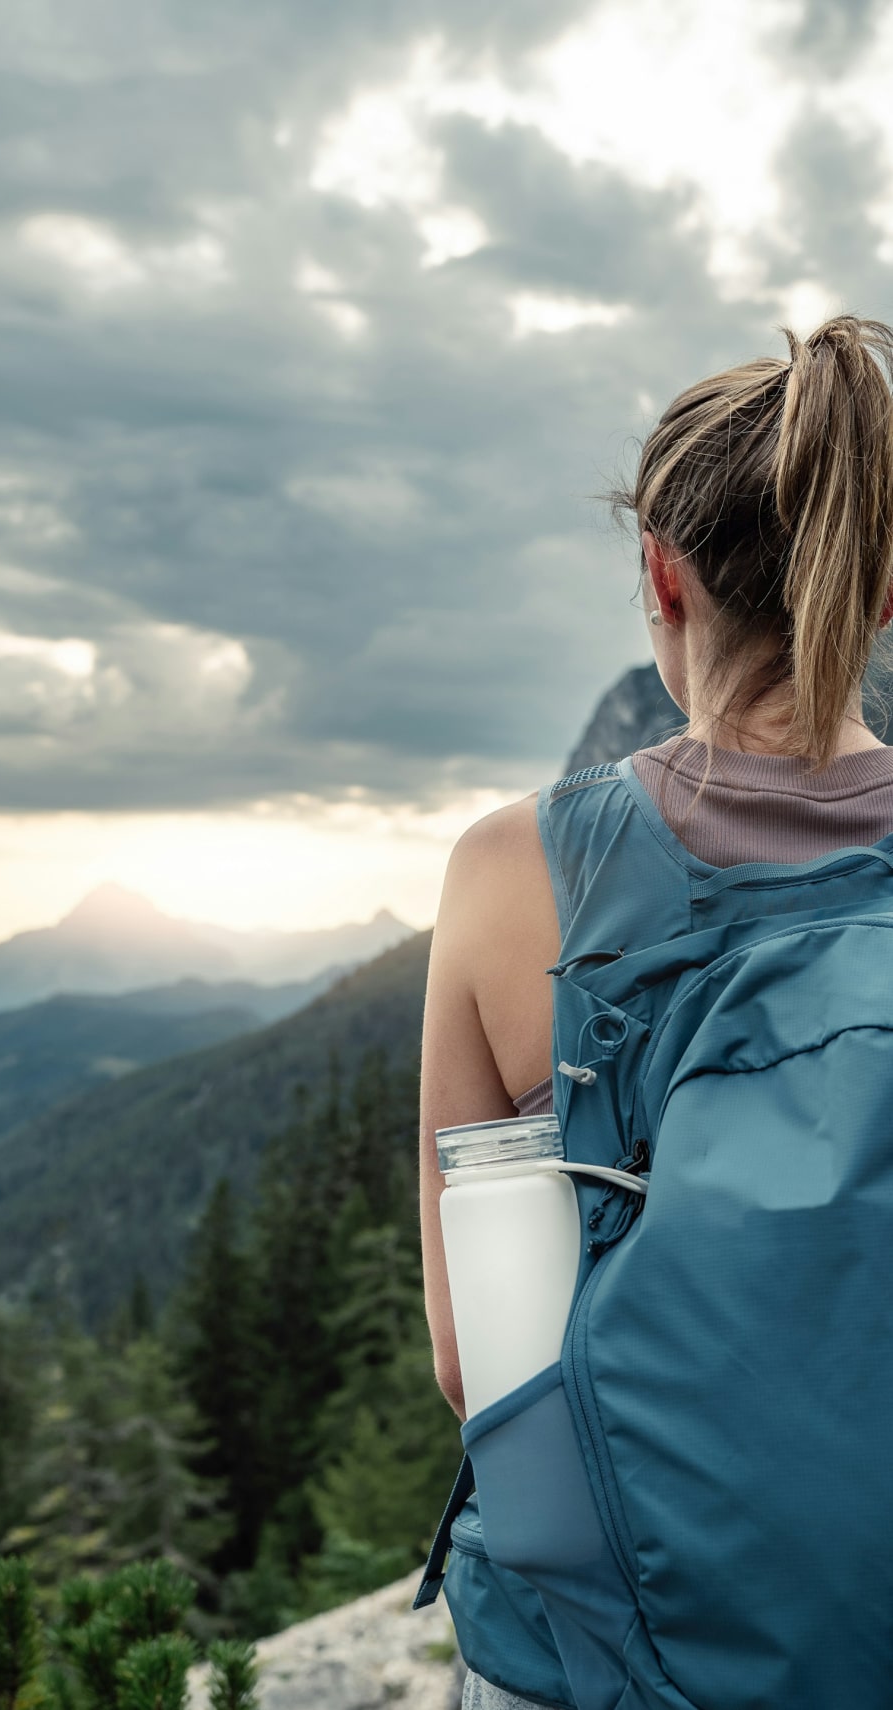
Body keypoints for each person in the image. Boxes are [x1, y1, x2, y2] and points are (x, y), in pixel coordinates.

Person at [418, 314, 893, 1708]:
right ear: (884, 589)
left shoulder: (515, 873)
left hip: (598, 1657)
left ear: (660, 573)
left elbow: (472, 1361)